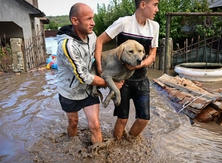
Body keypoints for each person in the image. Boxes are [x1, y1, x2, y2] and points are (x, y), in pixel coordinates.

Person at [56, 3, 123, 145]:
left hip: (88, 91)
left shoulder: (92, 35)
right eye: (88, 19)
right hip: (70, 92)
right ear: (75, 21)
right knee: (73, 122)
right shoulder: (67, 46)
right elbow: (83, 77)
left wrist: (116, 69)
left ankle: (97, 155)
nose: (93, 23)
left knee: (95, 125)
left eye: (93, 18)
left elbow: (98, 55)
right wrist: (111, 84)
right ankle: (71, 147)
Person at [95, 0, 160, 140]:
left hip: (142, 79)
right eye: (155, 5)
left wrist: (140, 65)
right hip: (122, 79)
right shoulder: (124, 22)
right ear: (143, 4)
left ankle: (129, 141)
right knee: (122, 119)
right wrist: (100, 69)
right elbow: (100, 41)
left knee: (144, 119)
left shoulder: (154, 26)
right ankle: (118, 145)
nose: (157, 9)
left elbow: (152, 55)